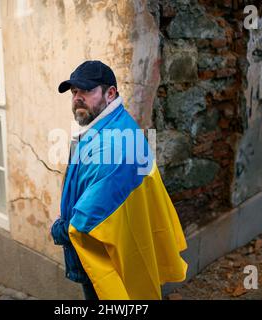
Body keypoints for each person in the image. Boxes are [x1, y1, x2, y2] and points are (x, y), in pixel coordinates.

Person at [50, 60, 187, 300]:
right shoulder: (102, 125)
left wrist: (59, 230)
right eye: (74, 92)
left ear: (110, 93)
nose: (77, 98)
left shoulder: (114, 147)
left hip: (102, 256)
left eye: (87, 90)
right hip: (111, 250)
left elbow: (87, 222)